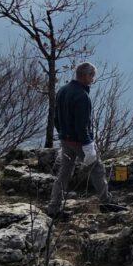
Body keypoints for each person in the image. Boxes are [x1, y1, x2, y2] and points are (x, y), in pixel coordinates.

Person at [48, 62, 126, 219]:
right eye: (92, 76)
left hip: (65, 139)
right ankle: (106, 202)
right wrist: (88, 145)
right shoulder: (82, 97)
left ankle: (54, 208)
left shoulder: (63, 90)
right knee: (97, 168)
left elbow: (55, 117)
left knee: (64, 173)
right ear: (85, 76)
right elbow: (82, 125)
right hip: (78, 141)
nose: (93, 79)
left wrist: (62, 133)